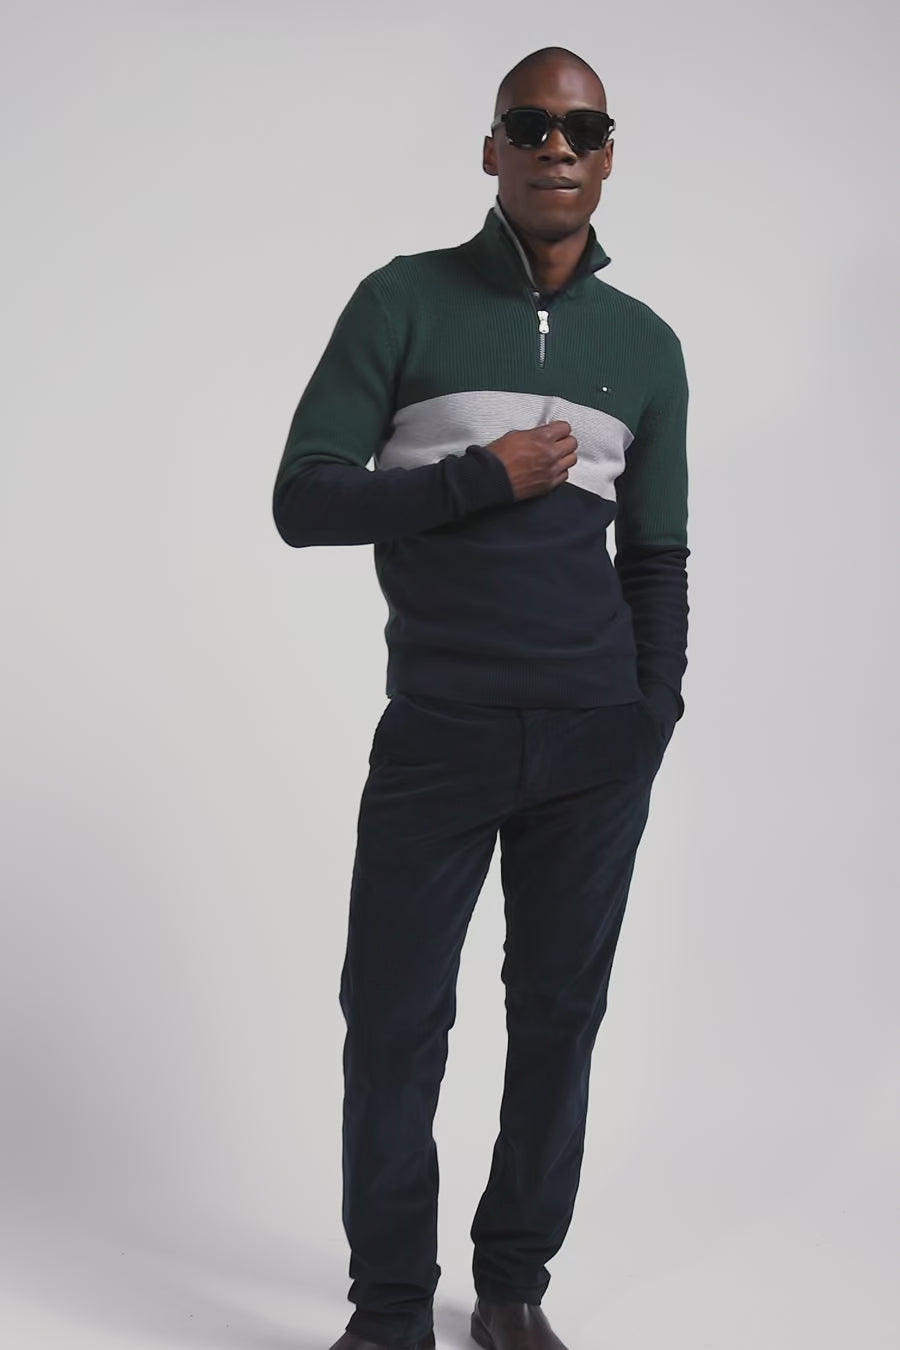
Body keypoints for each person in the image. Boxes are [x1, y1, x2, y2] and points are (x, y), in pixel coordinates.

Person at [272, 44, 690, 1350]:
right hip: (441, 731)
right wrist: (477, 478)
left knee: (559, 1017)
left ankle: (511, 1286)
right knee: (394, 1019)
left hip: (593, 740)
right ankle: (391, 1308)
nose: (557, 146)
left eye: (583, 129)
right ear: (492, 148)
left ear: (609, 157)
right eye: (531, 124)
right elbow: (306, 500)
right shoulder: (403, 303)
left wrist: (651, 712)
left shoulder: (646, 346)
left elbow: (658, 554)